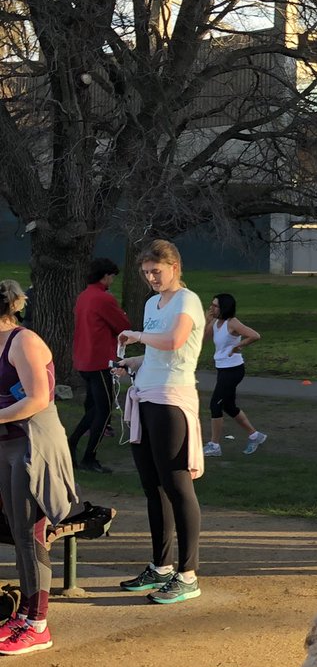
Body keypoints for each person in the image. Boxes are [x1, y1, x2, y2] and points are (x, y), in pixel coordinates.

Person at [114, 239, 205, 605]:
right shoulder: (153, 303)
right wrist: (133, 362)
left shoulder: (188, 300)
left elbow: (174, 340)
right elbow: (157, 350)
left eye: (157, 271)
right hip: (147, 396)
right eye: (146, 272)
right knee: (153, 486)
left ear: (174, 267)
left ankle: (188, 573)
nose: (151, 278)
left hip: (172, 400)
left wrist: (136, 336)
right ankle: (162, 565)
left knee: (177, 483)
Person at [0, 280, 76, 655]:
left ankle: (38, 625)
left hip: (35, 446)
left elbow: (37, 399)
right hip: (7, 446)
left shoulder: (24, 341)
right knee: (18, 533)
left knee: (31, 535)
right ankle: (25, 615)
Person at [68, 257, 132, 473]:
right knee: (104, 411)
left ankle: (73, 442)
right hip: (99, 360)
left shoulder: (84, 296)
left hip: (83, 359)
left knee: (95, 407)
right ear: (106, 276)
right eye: (112, 276)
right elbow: (123, 325)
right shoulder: (103, 298)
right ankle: (89, 457)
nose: (113, 280)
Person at [202, 293, 266, 457]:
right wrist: (206, 320)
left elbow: (255, 335)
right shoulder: (216, 323)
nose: (212, 308)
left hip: (233, 369)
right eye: (212, 305)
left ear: (224, 307)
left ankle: (214, 445)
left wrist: (239, 345)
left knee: (215, 405)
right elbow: (202, 340)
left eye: (215, 306)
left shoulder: (233, 323)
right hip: (222, 368)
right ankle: (255, 436)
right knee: (228, 406)